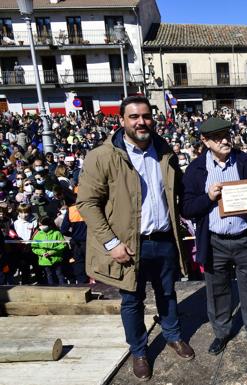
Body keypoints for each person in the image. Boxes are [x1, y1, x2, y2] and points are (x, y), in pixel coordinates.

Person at [77, 96, 194, 382]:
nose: (141, 122)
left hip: (164, 237)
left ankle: (173, 336)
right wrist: (111, 243)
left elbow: (175, 190)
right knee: (132, 300)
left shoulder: (164, 150)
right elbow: (87, 204)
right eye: (134, 117)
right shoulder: (102, 156)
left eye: (145, 116)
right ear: (121, 121)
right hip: (128, 243)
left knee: (167, 292)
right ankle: (139, 352)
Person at [180, 117, 247, 355]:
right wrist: (208, 197)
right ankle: (222, 332)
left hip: (245, 235)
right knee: (217, 289)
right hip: (215, 240)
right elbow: (187, 208)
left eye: (226, 135)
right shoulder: (196, 170)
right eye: (217, 137)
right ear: (205, 141)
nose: (224, 140)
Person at [31, 216, 67, 286]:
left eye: (42, 225)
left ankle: (63, 288)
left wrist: (51, 252)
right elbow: (34, 247)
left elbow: (63, 245)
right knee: (49, 275)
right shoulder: (37, 235)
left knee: (59, 274)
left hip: (56, 259)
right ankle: (51, 289)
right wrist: (42, 253)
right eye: (39, 225)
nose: (40, 226)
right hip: (45, 260)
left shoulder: (57, 233)